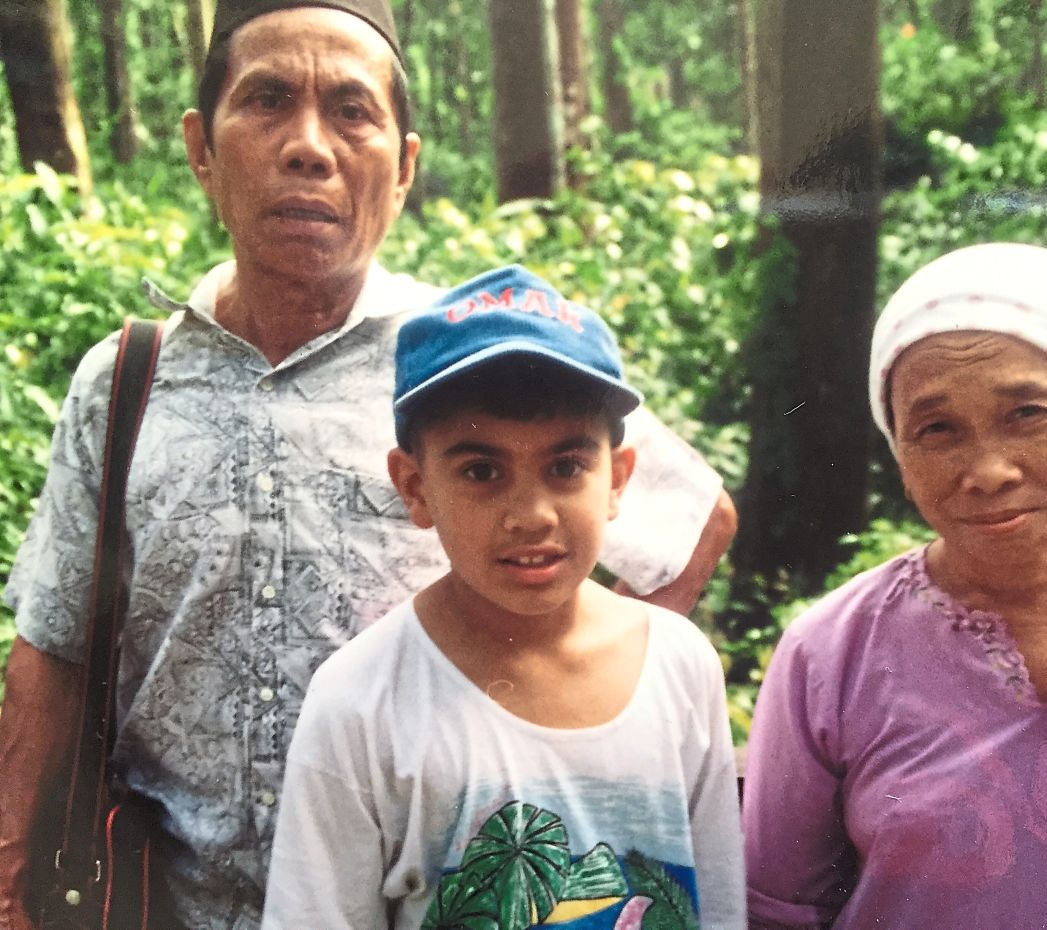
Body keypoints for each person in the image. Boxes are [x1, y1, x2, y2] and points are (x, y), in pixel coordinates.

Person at [0, 3, 737, 928]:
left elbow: (693, 522)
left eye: (352, 110)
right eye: (266, 100)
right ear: (200, 147)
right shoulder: (126, 384)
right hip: (162, 904)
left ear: (406, 166)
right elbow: (54, 647)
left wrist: (549, 751)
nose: (309, 146)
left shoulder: (467, 365)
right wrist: (10, 879)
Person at [742, 242, 1047, 930]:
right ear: (901, 454)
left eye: (1027, 413)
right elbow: (776, 910)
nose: (987, 471)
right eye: (937, 429)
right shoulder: (831, 654)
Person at [260, 264, 745, 929]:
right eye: (482, 471)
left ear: (618, 478)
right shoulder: (360, 702)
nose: (532, 514)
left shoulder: (681, 668)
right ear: (415, 487)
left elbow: (717, 906)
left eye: (566, 467)